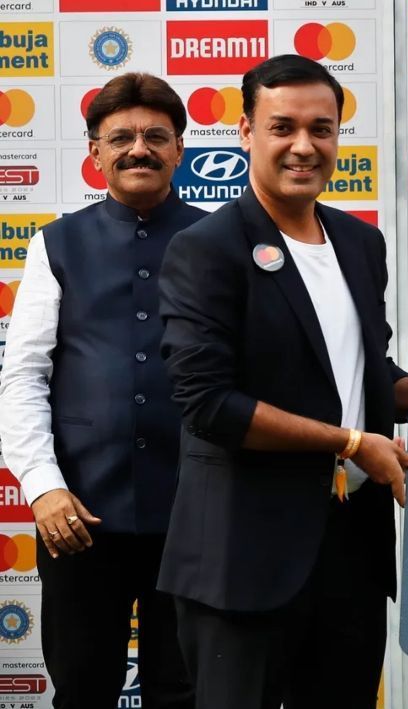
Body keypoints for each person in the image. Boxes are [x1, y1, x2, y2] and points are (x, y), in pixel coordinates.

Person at [155, 54, 408, 709]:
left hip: (351, 553)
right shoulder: (205, 248)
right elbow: (208, 404)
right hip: (242, 559)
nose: (304, 146)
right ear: (246, 132)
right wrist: (352, 442)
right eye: (283, 127)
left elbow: (357, 369)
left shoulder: (359, 243)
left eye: (322, 129)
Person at [0, 73, 200, 708]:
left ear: (180, 148)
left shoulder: (220, 243)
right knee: (82, 690)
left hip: (196, 518)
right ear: (94, 152)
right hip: (78, 518)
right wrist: (44, 487)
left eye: (154, 137)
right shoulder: (56, 243)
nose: (138, 149)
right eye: (120, 138)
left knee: (186, 694)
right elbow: (24, 374)